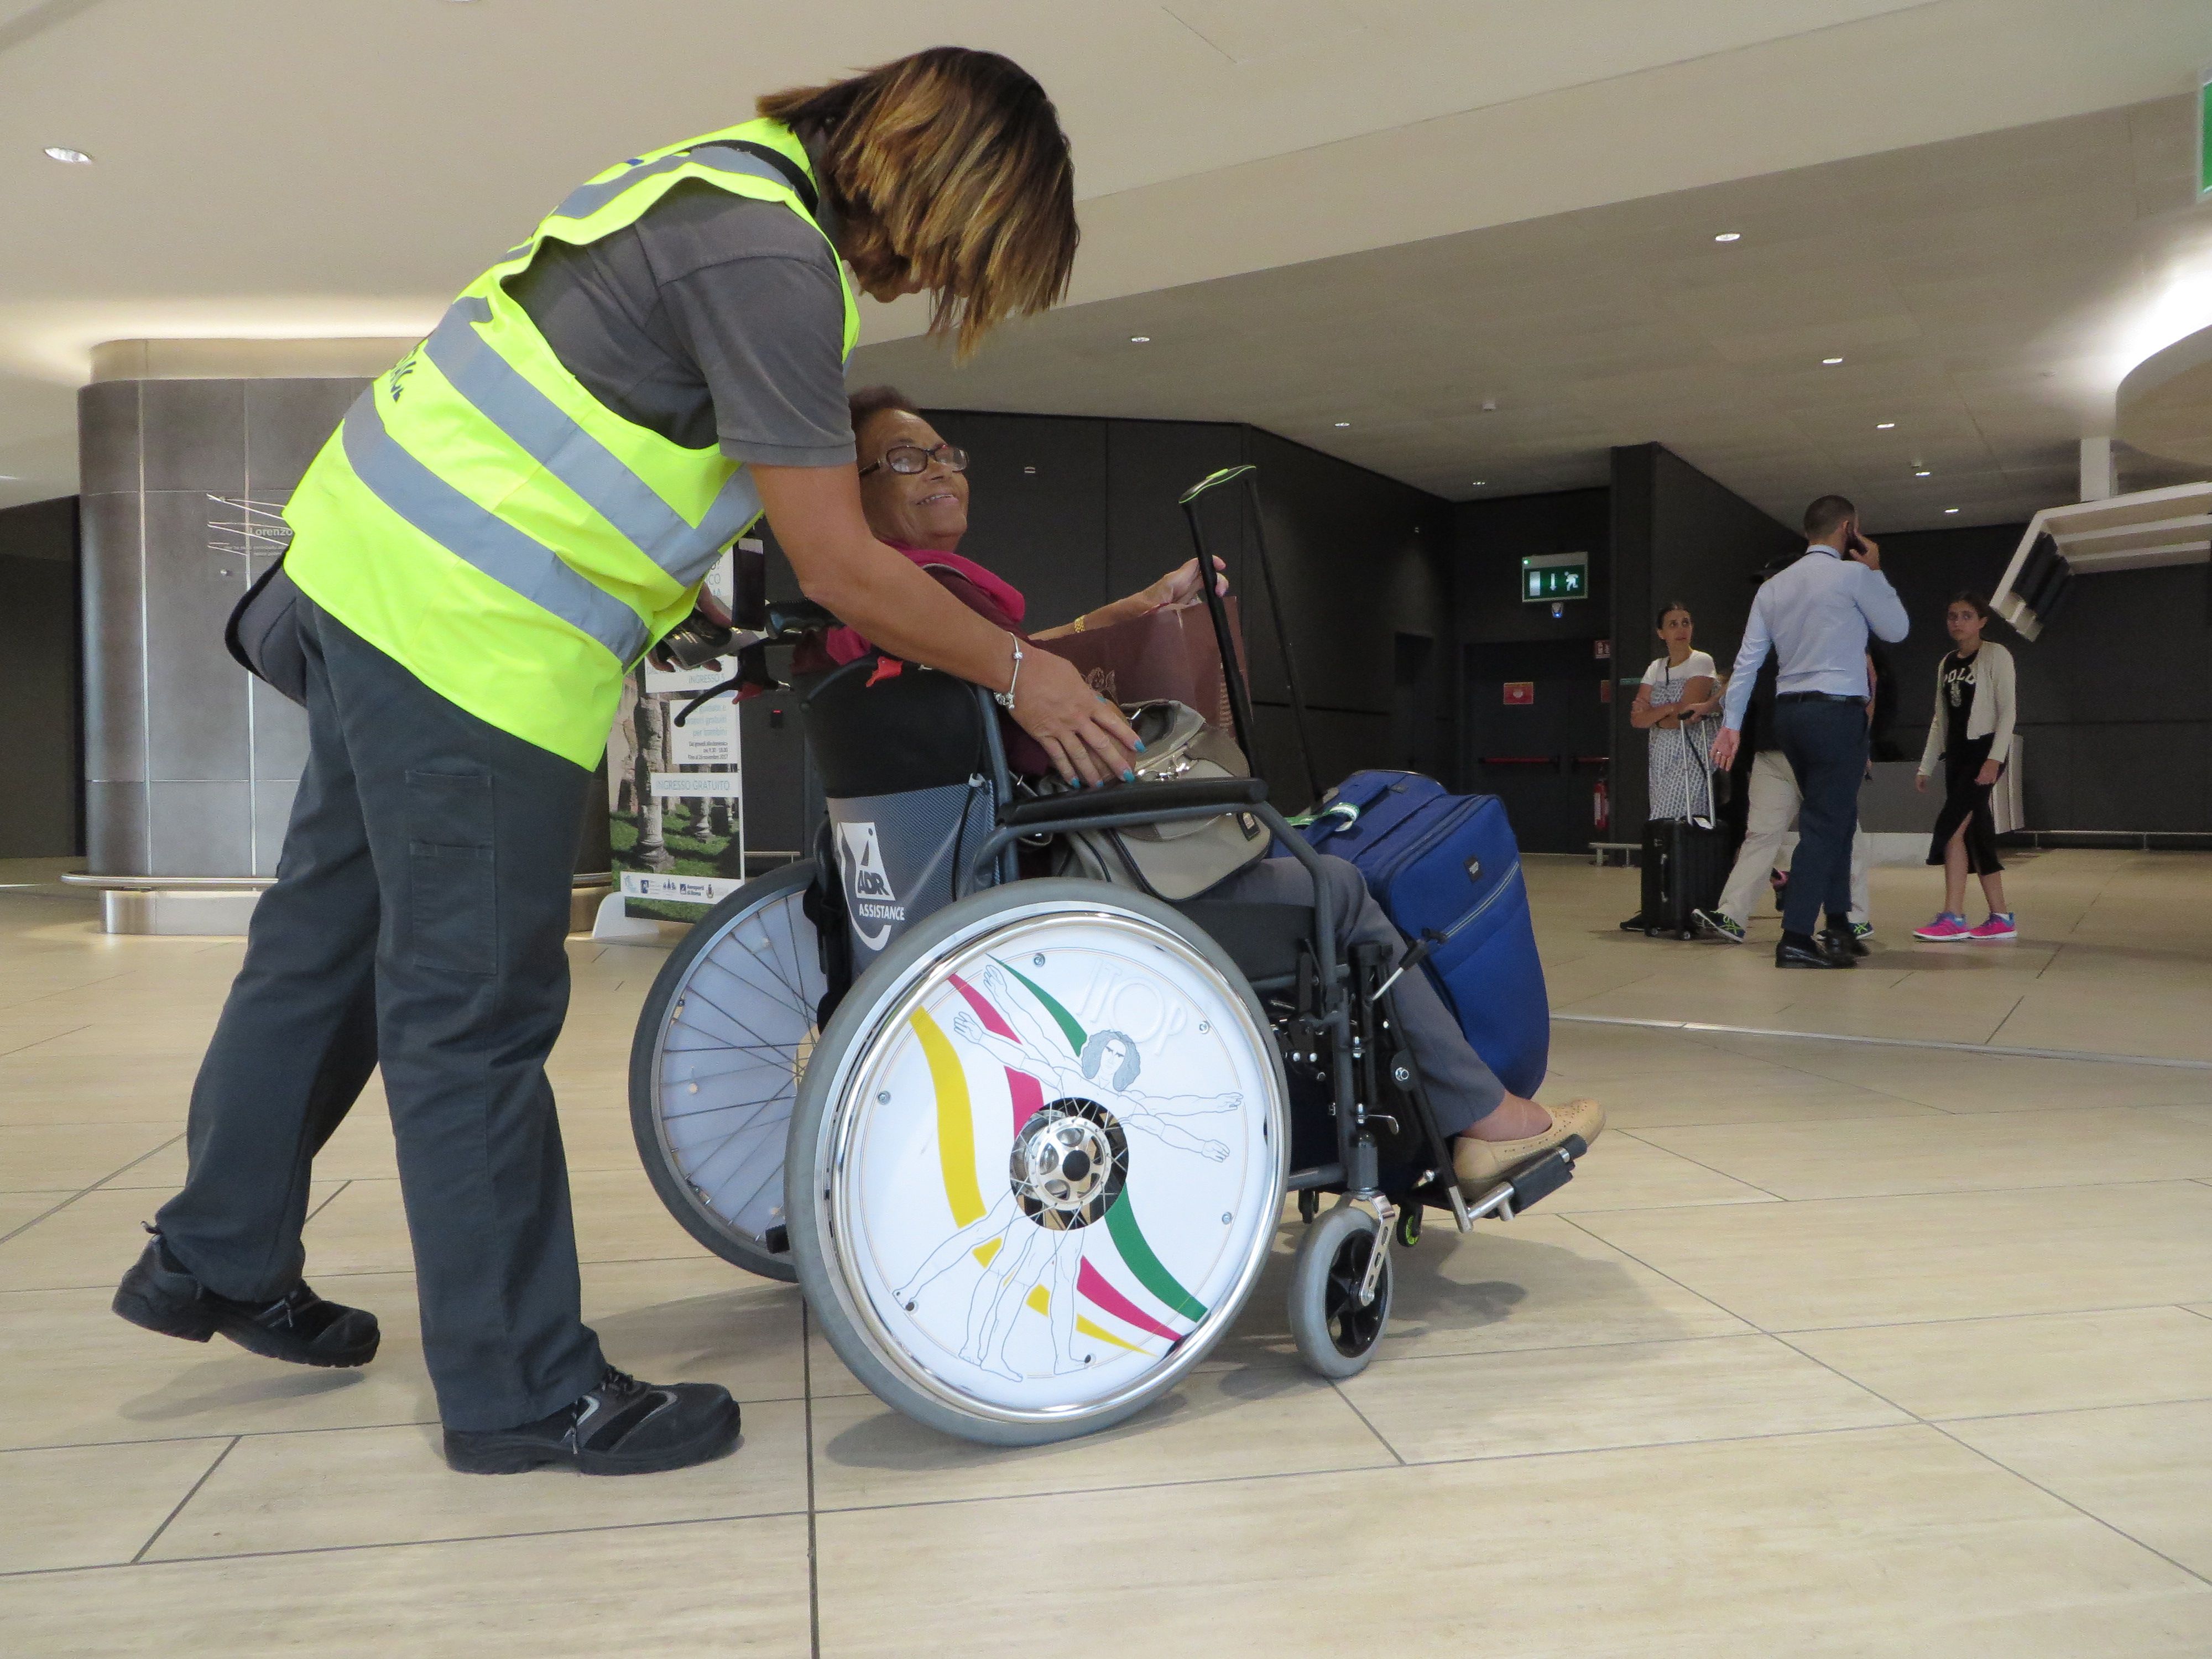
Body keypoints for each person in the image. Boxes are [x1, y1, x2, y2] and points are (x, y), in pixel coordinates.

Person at [112, 49, 1129, 1479]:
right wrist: (1029, 666)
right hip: (470, 634)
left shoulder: (710, 177)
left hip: (362, 562)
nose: (920, 285)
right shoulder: (778, 258)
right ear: (930, 185)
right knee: (472, 1012)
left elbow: (606, 423)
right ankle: (522, 1390)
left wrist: (685, 588)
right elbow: (842, 561)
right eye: (955, 255)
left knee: (326, 939)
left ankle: (214, 1254)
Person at [825, 388, 1604, 1196]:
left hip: (968, 879)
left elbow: (1026, 660)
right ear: (852, 489)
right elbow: (1053, 733)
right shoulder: (938, 601)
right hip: (1066, 885)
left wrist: (1141, 607)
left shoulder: (888, 615)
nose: (942, 472)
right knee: (1334, 885)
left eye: (948, 455)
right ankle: (1483, 1118)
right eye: (908, 460)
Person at [1710, 495, 1908, 968]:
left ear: (1807, 533)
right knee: (1823, 822)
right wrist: (1876, 569)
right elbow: (1897, 629)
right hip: (1836, 713)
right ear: (1849, 528)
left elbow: (1747, 663)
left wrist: (1731, 725)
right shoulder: (1855, 576)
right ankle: (1796, 936)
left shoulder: (1774, 589)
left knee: (1836, 816)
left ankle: (1838, 925)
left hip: (1789, 716)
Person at [1694, 640, 1874, 948]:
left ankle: (1855, 918)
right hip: (1771, 750)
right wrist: (1712, 707)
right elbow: (1743, 673)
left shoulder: (1834, 630)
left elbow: (1867, 685)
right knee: (1760, 834)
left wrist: (1860, 740)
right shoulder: (1768, 632)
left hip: (1817, 747)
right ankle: (1732, 915)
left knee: (1843, 832)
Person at [1911, 592, 2018, 941]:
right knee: (1976, 832)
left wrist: (1994, 759)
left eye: (1966, 616)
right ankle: (2001, 917)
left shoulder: (1996, 655)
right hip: (1957, 757)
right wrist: (1927, 765)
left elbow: (2008, 712)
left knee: (1952, 827)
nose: (1957, 622)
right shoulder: (1947, 663)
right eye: (1952, 616)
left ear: (1982, 621)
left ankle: (1953, 916)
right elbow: (1940, 720)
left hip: (1983, 752)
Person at [1630, 601, 1718, 819]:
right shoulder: (1656, 667)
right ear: (1661, 633)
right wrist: (1670, 708)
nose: (1681, 629)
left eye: (1685, 623)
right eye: (1673, 624)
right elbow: (1637, 720)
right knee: (1662, 819)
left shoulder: (1701, 661)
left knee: (1677, 813)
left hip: (1691, 750)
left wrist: (1655, 716)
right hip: (1661, 753)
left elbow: (1687, 715)